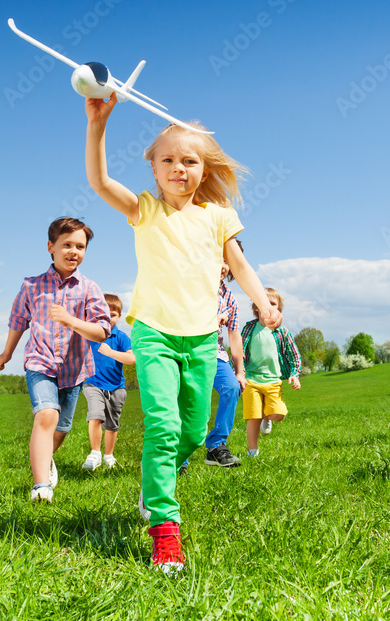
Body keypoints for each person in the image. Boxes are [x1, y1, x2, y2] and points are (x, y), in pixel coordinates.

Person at [85, 94, 280, 573]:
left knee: (193, 432)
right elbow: (100, 181)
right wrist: (97, 126)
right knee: (164, 425)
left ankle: (157, 481)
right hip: (153, 334)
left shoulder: (217, 216)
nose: (179, 168)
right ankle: (165, 531)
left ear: (203, 169)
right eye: (168, 159)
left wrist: (260, 300)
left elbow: (238, 263)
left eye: (189, 160)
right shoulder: (144, 209)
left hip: (200, 339)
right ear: (153, 168)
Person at [0, 217, 110, 504]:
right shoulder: (31, 286)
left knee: (62, 427)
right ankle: (40, 486)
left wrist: (71, 321)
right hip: (39, 362)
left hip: (74, 369)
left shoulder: (89, 288)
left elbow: (102, 331)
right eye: (67, 244)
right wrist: (7, 353)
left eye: (80, 246)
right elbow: (18, 320)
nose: (74, 251)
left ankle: (46, 459)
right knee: (46, 415)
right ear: (51, 247)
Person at [182, 245, 248, 472]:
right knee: (188, 402)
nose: (222, 266)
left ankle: (216, 445)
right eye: (217, 258)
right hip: (186, 351)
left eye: (227, 261)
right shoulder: (189, 286)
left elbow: (235, 337)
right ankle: (180, 458)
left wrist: (240, 371)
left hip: (215, 354)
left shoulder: (229, 297)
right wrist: (212, 319)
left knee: (231, 387)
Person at [239, 288, 301, 457]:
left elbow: (293, 354)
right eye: (263, 302)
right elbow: (240, 351)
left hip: (273, 381)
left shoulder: (282, 332)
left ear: (278, 310)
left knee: (278, 414)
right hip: (251, 379)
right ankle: (252, 450)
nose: (268, 306)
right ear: (256, 307)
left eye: (272, 303)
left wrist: (294, 374)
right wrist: (239, 372)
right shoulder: (249, 329)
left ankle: (266, 417)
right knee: (253, 417)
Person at [81, 293, 134, 471]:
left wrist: (110, 352)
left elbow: (132, 359)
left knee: (112, 425)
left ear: (119, 316)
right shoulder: (90, 334)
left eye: (112, 315)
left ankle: (108, 456)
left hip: (117, 387)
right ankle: (94, 453)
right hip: (93, 383)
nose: (107, 318)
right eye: (103, 314)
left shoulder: (121, 337)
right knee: (95, 415)